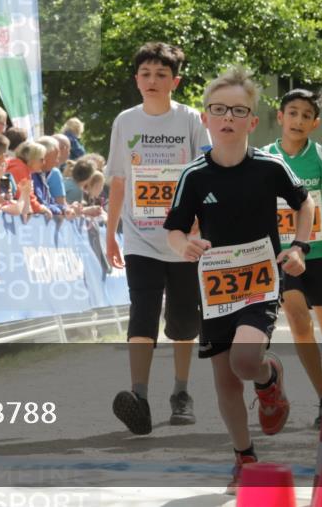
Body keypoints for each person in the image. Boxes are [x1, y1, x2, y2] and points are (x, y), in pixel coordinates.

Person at [165, 66, 314, 493]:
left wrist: (299, 248)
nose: (227, 117)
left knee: (245, 361)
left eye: (238, 110)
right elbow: (175, 228)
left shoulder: (270, 167)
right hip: (214, 286)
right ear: (206, 118)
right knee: (225, 380)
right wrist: (183, 246)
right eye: (218, 109)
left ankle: (268, 379)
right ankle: (244, 456)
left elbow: (304, 207)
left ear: (252, 121)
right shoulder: (194, 176)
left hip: (260, 280)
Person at [104, 42, 210, 434]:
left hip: (182, 240)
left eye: (161, 75)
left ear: (175, 81)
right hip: (138, 239)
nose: (152, 80)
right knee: (141, 313)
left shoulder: (190, 121)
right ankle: (139, 396)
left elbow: (205, 174)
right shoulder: (125, 121)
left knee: (183, 322)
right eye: (145, 74)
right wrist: (111, 231)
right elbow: (118, 180)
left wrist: (199, 222)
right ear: (136, 79)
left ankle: (181, 392)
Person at [262, 88, 322, 429]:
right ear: (280, 116)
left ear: (314, 123)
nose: (298, 120)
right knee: (300, 323)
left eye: (305, 115)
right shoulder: (265, 159)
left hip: (319, 257)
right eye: (293, 112)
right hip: (284, 258)